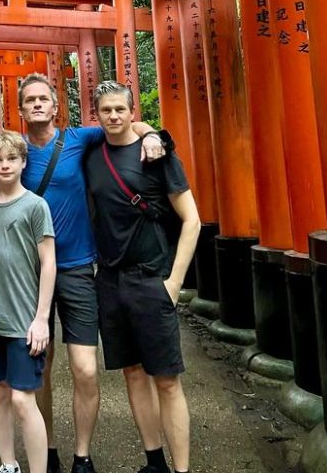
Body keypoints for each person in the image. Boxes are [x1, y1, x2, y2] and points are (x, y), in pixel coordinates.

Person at [17, 73, 165, 473]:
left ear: (54, 105)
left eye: (42, 99)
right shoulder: (15, 150)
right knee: (39, 366)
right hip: (29, 273)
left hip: (79, 268)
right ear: (21, 109)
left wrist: (155, 136)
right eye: (29, 100)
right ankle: (46, 452)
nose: (36, 105)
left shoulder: (81, 139)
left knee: (84, 368)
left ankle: (82, 455)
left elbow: (127, 122)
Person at [85, 81, 201, 473]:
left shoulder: (158, 154)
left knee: (166, 379)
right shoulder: (92, 155)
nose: (114, 116)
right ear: (96, 115)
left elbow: (193, 221)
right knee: (133, 373)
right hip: (110, 280)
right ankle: (155, 462)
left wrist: (174, 284)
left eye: (121, 109)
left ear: (132, 111)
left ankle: (181, 468)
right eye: (106, 111)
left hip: (152, 279)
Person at [0, 130, 56, 473]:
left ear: (23, 162)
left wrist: (42, 318)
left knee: (22, 397)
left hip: (23, 320)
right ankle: (8, 464)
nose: (5, 166)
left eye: (11, 159)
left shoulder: (35, 205)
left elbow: (48, 262)